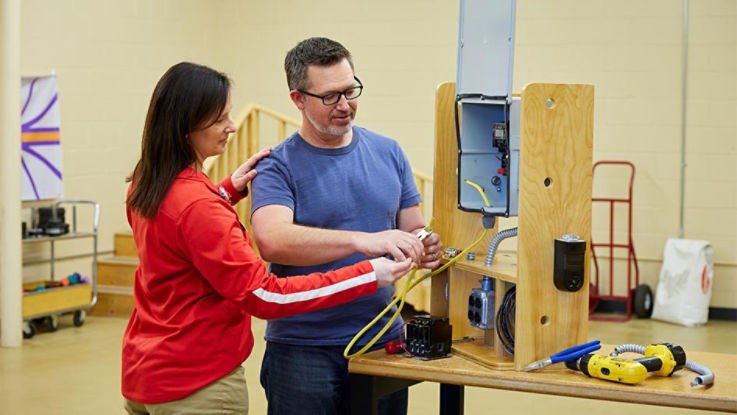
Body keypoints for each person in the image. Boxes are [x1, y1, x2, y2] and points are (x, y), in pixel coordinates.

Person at [121, 61, 414, 415]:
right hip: (195, 383)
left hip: (147, 372)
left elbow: (178, 234)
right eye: (219, 119)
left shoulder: (146, 184)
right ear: (185, 126)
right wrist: (367, 273)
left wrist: (224, 192)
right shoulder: (203, 203)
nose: (231, 126)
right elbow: (264, 295)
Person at [250, 37, 443, 415]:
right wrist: (365, 241)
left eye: (350, 90)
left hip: (381, 338)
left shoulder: (389, 152)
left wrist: (425, 244)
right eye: (330, 96)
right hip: (303, 347)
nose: (345, 105)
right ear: (298, 99)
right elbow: (272, 241)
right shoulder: (277, 165)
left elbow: (412, 225)